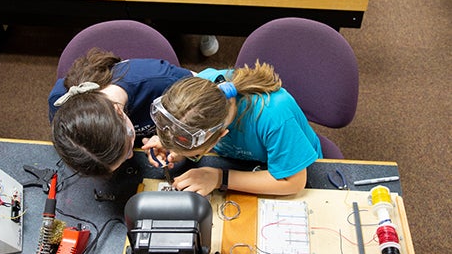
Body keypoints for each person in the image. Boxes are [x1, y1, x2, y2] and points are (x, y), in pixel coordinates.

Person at [144, 62, 322, 197]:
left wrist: (219, 178)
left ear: (222, 135)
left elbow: (293, 183)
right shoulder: (199, 90)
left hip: (290, 166)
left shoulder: (275, 116)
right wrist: (175, 146)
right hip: (238, 160)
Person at [49, 48, 193, 176]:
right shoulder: (61, 106)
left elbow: (211, 99)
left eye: (128, 151)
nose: (130, 156)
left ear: (118, 110)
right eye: (125, 155)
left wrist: (179, 144)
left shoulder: (161, 80)